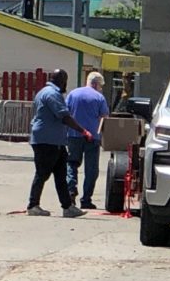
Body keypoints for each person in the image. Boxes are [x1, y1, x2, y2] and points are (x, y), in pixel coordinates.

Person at [27, 69, 93, 218]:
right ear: (61, 80)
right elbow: (64, 116)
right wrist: (83, 131)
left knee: (60, 174)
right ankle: (33, 205)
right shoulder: (52, 94)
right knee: (42, 173)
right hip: (47, 140)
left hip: (54, 141)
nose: (65, 85)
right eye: (65, 81)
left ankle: (68, 207)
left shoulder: (44, 91)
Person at [66, 71, 111, 210]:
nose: (101, 88)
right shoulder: (99, 98)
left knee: (72, 163)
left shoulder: (73, 94)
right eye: (101, 85)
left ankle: (71, 191)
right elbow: (104, 117)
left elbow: (65, 112)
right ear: (95, 84)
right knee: (91, 169)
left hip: (73, 135)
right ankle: (86, 199)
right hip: (92, 137)